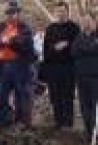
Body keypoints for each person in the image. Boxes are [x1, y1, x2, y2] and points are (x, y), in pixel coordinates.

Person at [0, 1, 37, 128]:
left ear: (18, 13)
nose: (11, 15)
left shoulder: (24, 28)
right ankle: (1, 121)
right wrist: (3, 42)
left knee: (21, 95)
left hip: (19, 66)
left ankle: (22, 122)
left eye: (14, 12)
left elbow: (24, 44)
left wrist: (8, 41)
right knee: (1, 95)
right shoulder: (0, 27)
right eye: (9, 13)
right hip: (1, 66)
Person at [43, 1, 80, 130]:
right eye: (58, 11)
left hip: (69, 67)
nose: (61, 14)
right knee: (55, 95)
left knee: (68, 95)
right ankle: (58, 121)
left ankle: (68, 122)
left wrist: (67, 45)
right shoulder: (50, 29)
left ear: (67, 12)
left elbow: (77, 48)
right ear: (55, 13)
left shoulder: (74, 28)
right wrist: (54, 48)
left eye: (63, 11)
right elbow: (45, 50)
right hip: (53, 67)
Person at [72, 12, 98, 145]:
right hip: (81, 78)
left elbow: (86, 51)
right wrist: (91, 49)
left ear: (94, 22)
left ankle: (95, 133)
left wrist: (87, 50)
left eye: (89, 21)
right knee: (84, 107)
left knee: (95, 107)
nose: (86, 24)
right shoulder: (78, 38)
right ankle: (88, 132)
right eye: (84, 21)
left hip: (95, 78)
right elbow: (74, 52)